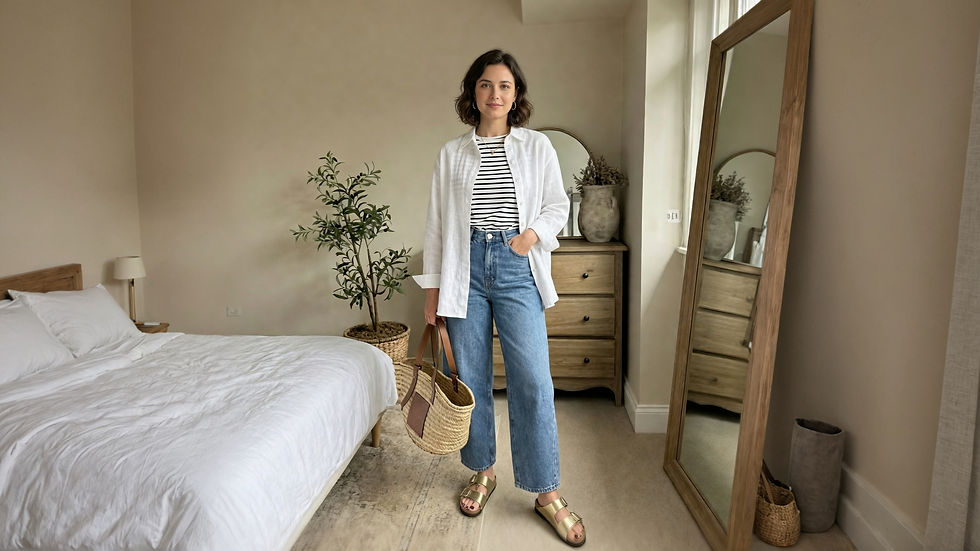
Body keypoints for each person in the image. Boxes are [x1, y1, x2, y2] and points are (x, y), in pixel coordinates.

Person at [416, 49, 585, 547]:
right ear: (474, 93)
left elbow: (557, 204)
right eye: (486, 85)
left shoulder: (536, 147)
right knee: (471, 378)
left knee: (532, 378)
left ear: (517, 95)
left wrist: (530, 237)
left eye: (505, 86)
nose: (495, 94)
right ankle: (483, 471)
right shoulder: (452, 153)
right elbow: (436, 225)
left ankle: (546, 491)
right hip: (463, 268)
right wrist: (433, 292)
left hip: (515, 265)